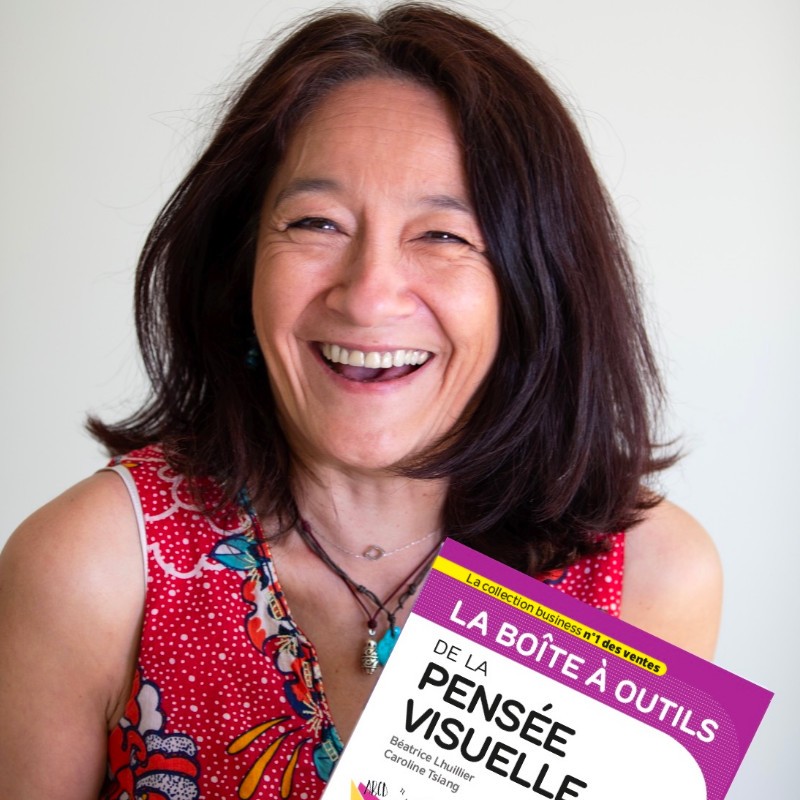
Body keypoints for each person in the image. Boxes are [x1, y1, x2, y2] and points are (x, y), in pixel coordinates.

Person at [0, 3, 722, 798]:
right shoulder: (93, 567)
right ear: (240, 265)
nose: (369, 294)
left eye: (442, 235)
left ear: (535, 284)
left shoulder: (652, 576)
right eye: (316, 223)